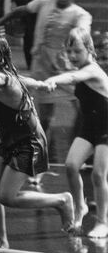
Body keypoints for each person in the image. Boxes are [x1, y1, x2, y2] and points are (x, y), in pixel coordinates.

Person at [0, 33, 76, 248]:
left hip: (28, 142)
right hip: (7, 140)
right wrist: (40, 85)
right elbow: (25, 80)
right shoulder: (11, 75)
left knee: (6, 197)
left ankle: (61, 200)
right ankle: (1, 242)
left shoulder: (1, 78)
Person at [0, 0, 91, 141]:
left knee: (83, 108)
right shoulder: (44, 2)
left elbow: (82, 34)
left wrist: (78, 39)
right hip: (42, 67)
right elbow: (22, 10)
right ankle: (40, 147)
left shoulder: (80, 15)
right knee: (45, 116)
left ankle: (77, 142)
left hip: (68, 70)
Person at [41, 29, 108, 240]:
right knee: (71, 165)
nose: (72, 56)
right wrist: (50, 85)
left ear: (89, 49)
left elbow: (72, 77)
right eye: (69, 51)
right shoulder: (82, 72)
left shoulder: (92, 70)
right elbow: (75, 87)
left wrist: (54, 79)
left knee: (98, 174)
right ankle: (80, 206)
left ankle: (103, 222)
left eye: (77, 51)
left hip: (106, 128)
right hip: (90, 126)